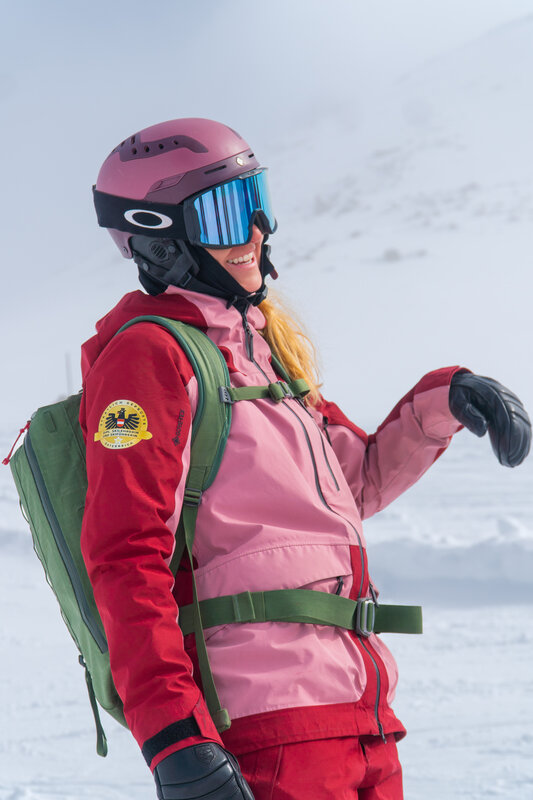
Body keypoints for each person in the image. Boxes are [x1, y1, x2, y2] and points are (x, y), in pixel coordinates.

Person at [82, 117, 531, 800]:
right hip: (267, 722)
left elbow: (354, 484)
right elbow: (125, 555)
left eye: (257, 200)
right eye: (226, 211)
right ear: (158, 236)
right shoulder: (150, 356)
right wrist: (174, 735)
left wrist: (446, 400)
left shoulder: (263, 355)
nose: (258, 229)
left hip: (358, 711)